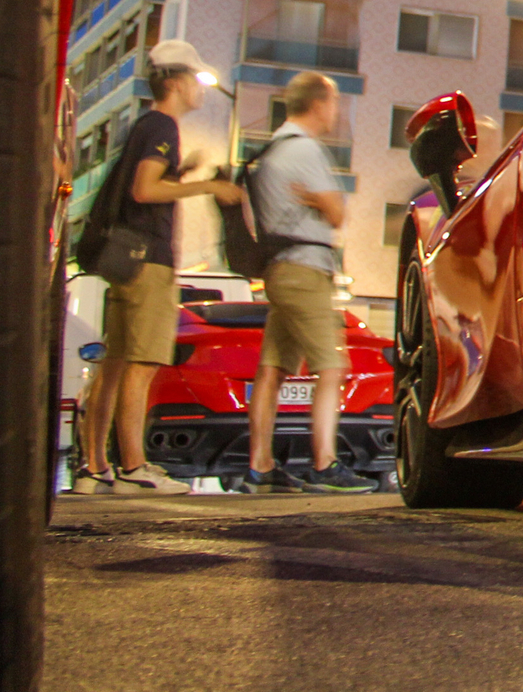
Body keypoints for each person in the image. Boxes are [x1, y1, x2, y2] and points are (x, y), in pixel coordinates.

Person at [74, 41, 247, 496]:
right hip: (147, 263)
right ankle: (134, 467)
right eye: (194, 79)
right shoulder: (161, 125)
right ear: (174, 82)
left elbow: (144, 186)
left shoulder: (147, 127)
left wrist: (180, 176)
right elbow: (144, 190)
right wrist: (207, 185)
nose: (199, 88)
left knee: (114, 364)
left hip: (127, 262)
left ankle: (94, 467)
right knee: (141, 364)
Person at [241, 71, 376, 494]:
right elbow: (337, 215)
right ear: (319, 104)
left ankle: (260, 466)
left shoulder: (272, 149)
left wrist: (316, 200)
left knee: (272, 369)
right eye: (334, 102)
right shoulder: (305, 150)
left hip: (278, 270)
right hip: (305, 270)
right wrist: (322, 200)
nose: (336, 112)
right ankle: (324, 464)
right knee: (333, 367)